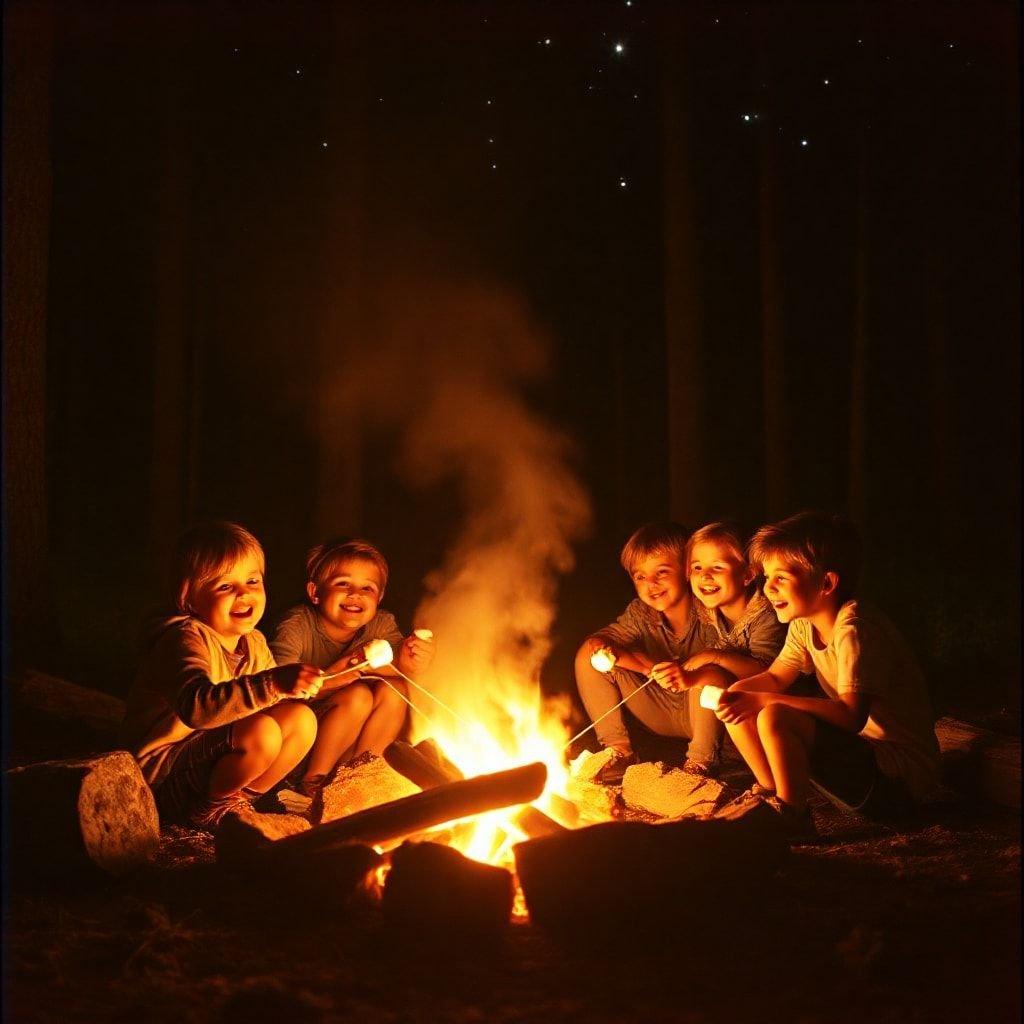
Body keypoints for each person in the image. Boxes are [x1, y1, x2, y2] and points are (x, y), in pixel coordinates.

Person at [714, 511, 940, 836]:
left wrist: (764, 700)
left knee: (775, 714)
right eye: (765, 577)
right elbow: (776, 677)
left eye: (780, 578)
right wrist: (736, 694)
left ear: (826, 583)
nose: (767, 589)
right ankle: (770, 793)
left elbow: (851, 716)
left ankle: (793, 818)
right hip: (862, 764)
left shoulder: (856, 629)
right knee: (740, 703)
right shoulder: (805, 623)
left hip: (897, 781)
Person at [121, 521, 324, 829]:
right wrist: (273, 684)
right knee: (263, 732)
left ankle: (235, 802)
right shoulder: (183, 640)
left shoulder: (253, 641)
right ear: (189, 598)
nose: (244, 594)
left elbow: (268, 703)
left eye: (253, 581)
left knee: (301, 720)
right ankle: (207, 810)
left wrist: (294, 688)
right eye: (226, 586)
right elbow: (197, 708)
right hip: (161, 776)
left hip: (212, 762)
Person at [271, 538, 435, 796]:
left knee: (396, 689)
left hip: (349, 747)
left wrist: (409, 663)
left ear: (379, 597)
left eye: (367, 588)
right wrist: (346, 668)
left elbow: (398, 670)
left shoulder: (381, 624)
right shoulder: (295, 627)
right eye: (342, 583)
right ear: (315, 592)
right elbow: (276, 694)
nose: (355, 594)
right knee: (358, 696)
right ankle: (311, 786)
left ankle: (360, 780)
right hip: (298, 747)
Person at [574, 522, 731, 786]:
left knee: (709, 677)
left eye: (662, 572)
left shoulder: (711, 610)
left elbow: (734, 668)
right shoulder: (641, 613)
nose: (651, 584)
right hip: (662, 710)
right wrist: (613, 652)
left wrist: (689, 671)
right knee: (587, 657)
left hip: (710, 716)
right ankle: (618, 751)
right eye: (640, 576)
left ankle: (700, 765)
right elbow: (601, 641)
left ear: (685, 570)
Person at [682, 521, 787, 679]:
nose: (704, 576)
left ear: (747, 575)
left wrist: (715, 657)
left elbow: (768, 673)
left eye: (717, 567)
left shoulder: (767, 615)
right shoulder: (707, 614)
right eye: (697, 567)